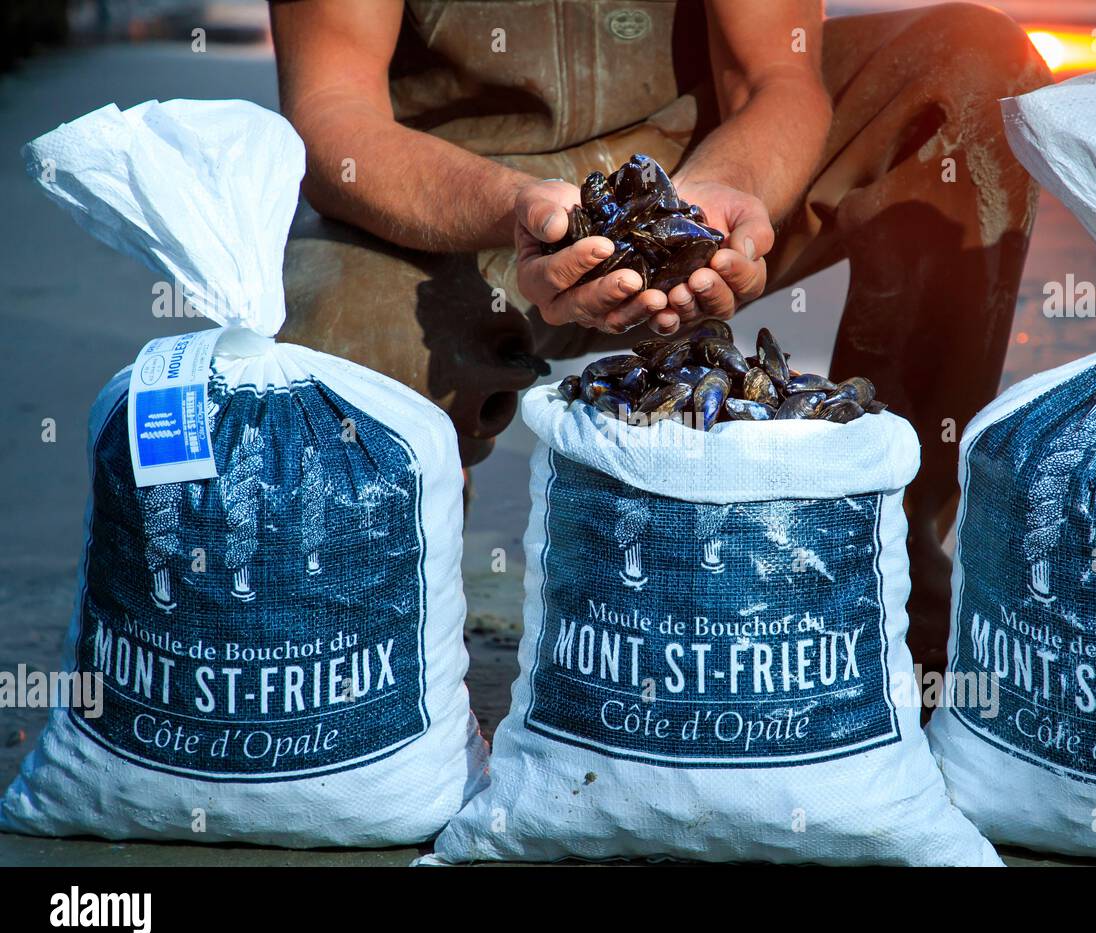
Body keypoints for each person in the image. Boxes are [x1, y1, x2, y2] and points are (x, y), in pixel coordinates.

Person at [268, 0, 1052, 672]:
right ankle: (406, 615)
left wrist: (721, 197)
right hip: (443, 198)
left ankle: (889, 558)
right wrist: (517, 210)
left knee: (972, 70)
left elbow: (777, 75)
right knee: (334, 439)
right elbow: (334, 113)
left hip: (697, 162)